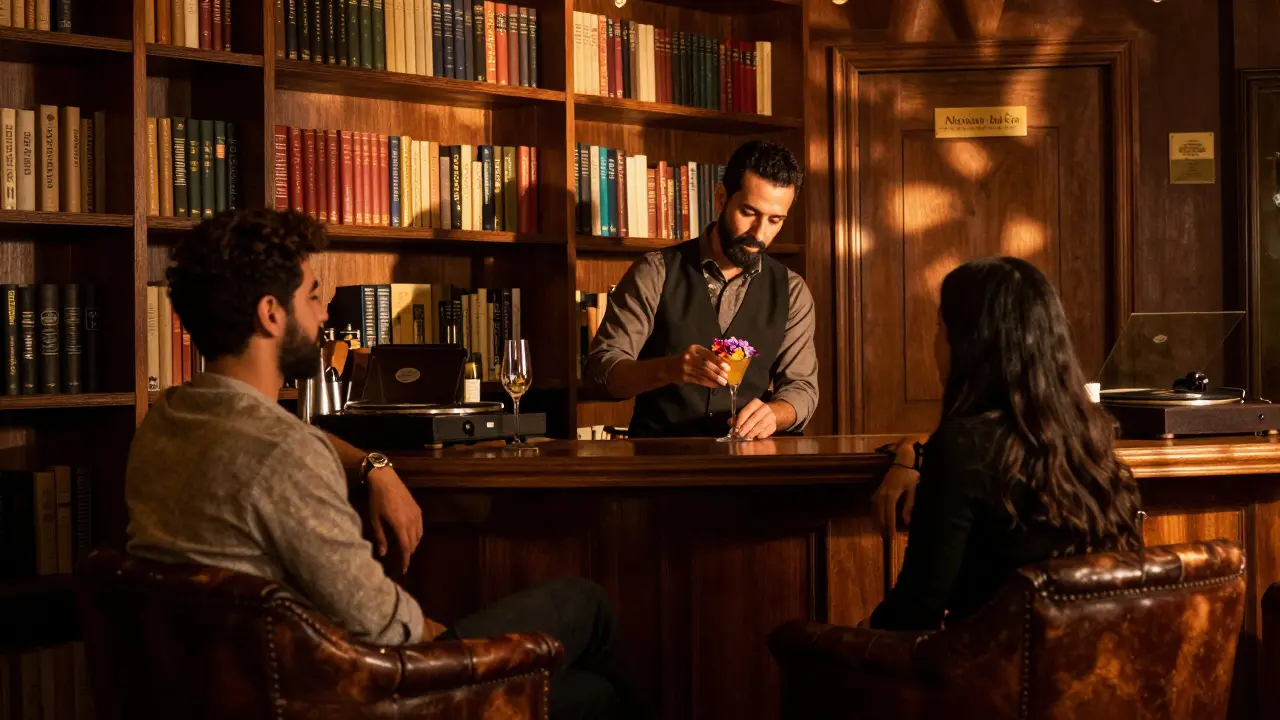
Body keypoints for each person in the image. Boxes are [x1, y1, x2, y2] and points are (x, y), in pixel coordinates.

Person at [125, 209, 648, 720]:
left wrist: (375, 464)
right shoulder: (284, 455)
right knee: (586, 611)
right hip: (347, 694)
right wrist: (471, 649)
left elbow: (289, 437)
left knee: (585, 688)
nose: (325, 315)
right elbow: (388, 629)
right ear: (271, 314)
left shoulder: (165, 421)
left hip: (232, 691)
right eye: (312, 296)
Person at [866, 257, 1144, 630]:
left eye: (939, 327)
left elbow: (914, 611)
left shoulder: (964, 447)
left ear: (968, 344)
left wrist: (848, 639)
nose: (935, 342)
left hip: (990, 679)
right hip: (1090, 673)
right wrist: (912, 453)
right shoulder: (1089, 435)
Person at [583, 140, 818, 439]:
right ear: (721, 198)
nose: (760, 234)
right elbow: (600, 374)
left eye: (775, 220)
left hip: (752, 468)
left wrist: (776, 414)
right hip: (660, 468)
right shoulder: (655, 272)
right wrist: (668, 369)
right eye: (749, 212)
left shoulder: (792, 291)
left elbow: (803, 390)